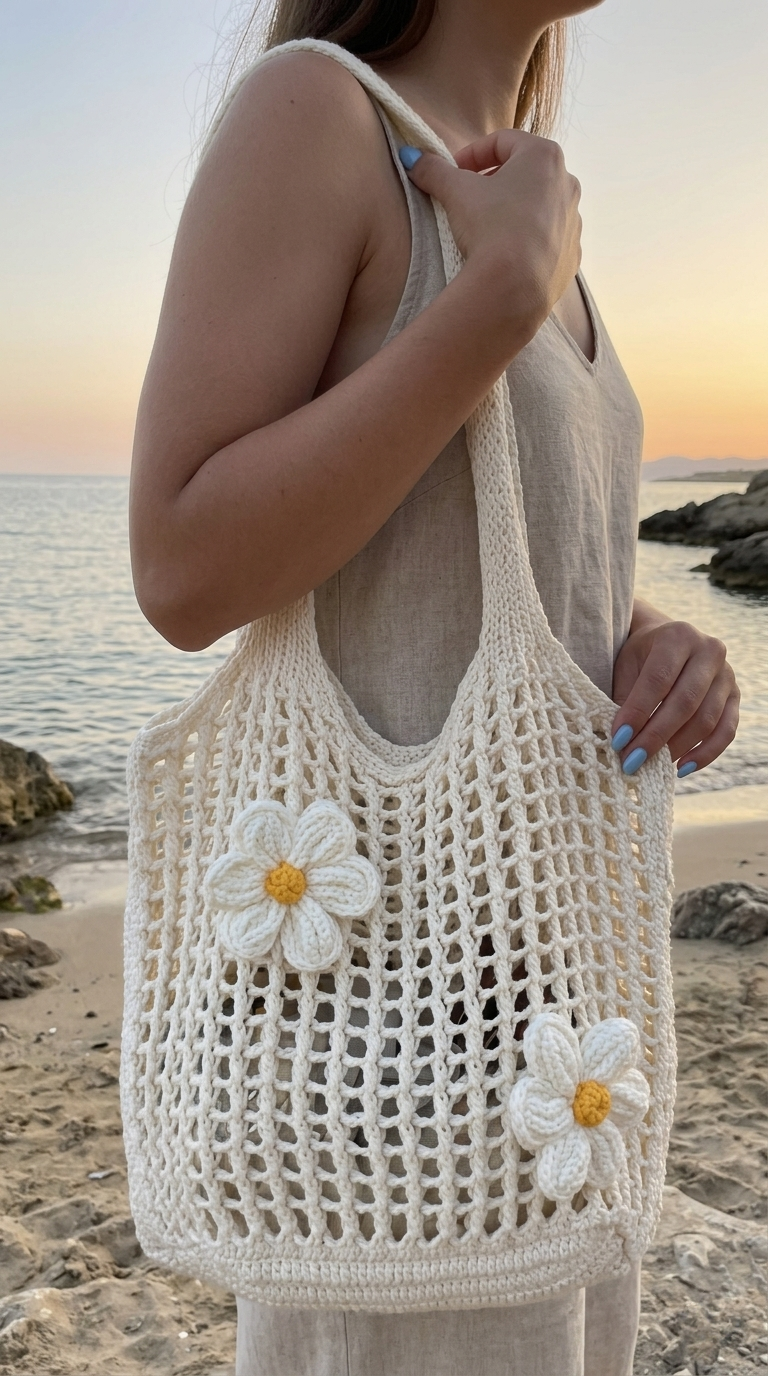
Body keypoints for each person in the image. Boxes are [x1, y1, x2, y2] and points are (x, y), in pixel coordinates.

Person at [129, 1, 740, 1372]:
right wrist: (498, 300)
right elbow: (180, 565)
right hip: (396, 1049)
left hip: (561, 1041)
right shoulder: (319, 111)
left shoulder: (512, 183)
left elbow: (468, 538)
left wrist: (646, 634)